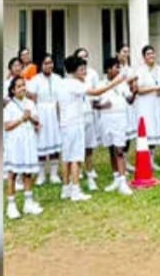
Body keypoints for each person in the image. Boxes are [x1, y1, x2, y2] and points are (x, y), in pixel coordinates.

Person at [58, 54, 123, 202]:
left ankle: (66, 188)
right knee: (75, 157)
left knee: (67, 157)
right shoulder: (74, 84)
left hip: (65, 124)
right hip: (74, 123)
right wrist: (116, 82)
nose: (84, 72)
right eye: (81, 69)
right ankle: (75, 190)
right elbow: (96, 92)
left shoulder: (62, 83)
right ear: (73, 71)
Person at [3, 75, 44, 219]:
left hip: (28, 141)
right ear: (13, 90)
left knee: (28, 172)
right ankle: (11, 205)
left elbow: (37, 122)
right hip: (15, 143)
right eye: (19, 86)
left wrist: (31, 118)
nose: (22, 88)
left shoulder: (30, 103)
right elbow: (6, 126)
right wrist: (21, 119)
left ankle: (28, 202)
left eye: (23, 85)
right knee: (13, 173)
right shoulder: (9, 106)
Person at [97, 57, 135, 195]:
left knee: (120, 150)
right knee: (111, 149)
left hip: (120, 118)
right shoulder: (100, 84)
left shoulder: (122, 84)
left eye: (119, 67)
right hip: (106, 119)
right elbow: (94, 103)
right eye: (115, 67)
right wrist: (102, 106)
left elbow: (129, 100)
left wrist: (134, 91)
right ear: (108, 69)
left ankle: (123, 181)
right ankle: (116, 178)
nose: (118, 70)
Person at [26, 54, 63, 186]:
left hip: (54, 113)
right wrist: (35, 118)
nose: (49, 66)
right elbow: (32, 99)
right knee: (41, 143)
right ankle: (41, 174)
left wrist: (60, 117)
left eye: (51, 63)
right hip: (41, 112)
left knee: (54, 141)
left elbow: (60, 100)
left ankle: (53, 173)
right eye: (46, 63)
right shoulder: (35, 80)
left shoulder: (58, 79)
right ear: (41, 65)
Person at [133, 45, 160, 169]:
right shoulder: (140, 71)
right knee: (147, 131)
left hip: (157, 102)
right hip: (145, 104)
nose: (151, 56)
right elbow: (139, 90)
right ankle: (145, 160)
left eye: (152, 53)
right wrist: (155, 88)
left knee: (156, 130)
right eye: (148, 54)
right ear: (144, 57)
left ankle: (152, 160)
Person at [75, 47, 103, 190]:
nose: (84, 59)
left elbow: (96, 92)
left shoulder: (92, 73)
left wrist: (96, 103)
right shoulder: (72, 79)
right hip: (77, 116)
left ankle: (90, 170)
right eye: (81, 56)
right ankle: (77, 171)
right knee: (78, 145)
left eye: (86, 56)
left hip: (90, 112)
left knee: (89, 146)